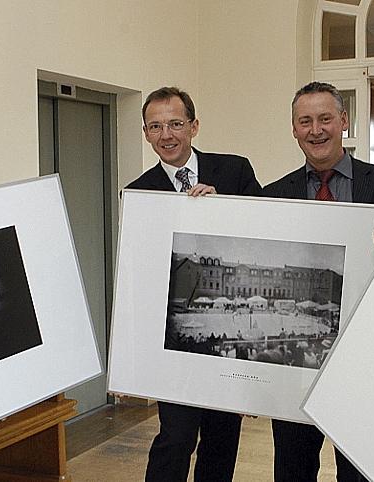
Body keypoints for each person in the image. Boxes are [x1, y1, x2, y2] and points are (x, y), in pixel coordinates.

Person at [262, 81, 374, 482]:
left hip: (363, 357)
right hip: (294, 359)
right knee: (292, 468)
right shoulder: (272, 196)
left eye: (325, 118)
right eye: (305, 121)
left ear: (344, 121)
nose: (316, 129)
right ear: (293, 128)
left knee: (358, 471)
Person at [126, 86, 261, 482]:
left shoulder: (235, 171)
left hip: (226, 338)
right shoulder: (139, 193)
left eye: (175, 124)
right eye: (156, 126)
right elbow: (137, 273)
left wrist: (225, 210)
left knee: (222, 437)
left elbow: (262, 234)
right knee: (176, 437)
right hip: (174, 339)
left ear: (194, 126)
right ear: (146, 133)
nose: (166, 135)